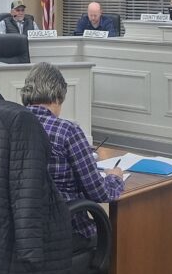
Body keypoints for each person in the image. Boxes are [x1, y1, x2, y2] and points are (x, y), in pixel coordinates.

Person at [22, 62, 124, 244]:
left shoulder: (12, 123)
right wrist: (114, 178)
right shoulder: (66, 130)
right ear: (58, 95)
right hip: (67, 231)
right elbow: (99, 193)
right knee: (123, 240)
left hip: (22, 232)